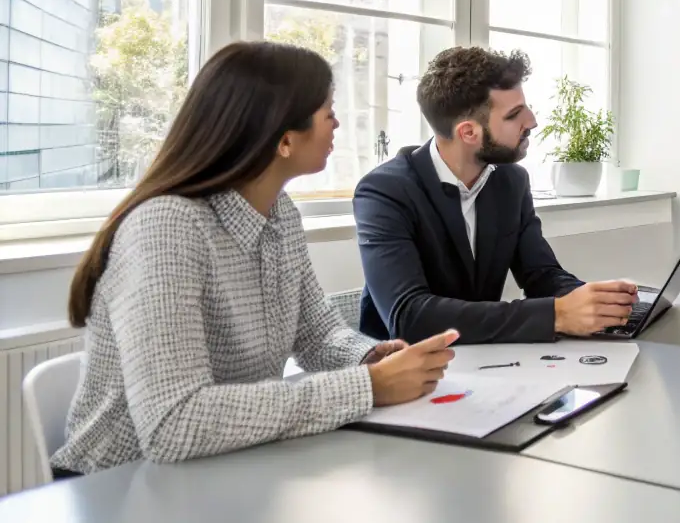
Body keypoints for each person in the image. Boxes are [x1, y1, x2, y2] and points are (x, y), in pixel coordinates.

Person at [52, 42, 457, 476]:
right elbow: (173, 422)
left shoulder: (280, 213)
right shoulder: (166, 226)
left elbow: (317, 336)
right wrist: (366, 388)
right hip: (119, 486)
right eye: (327, 111)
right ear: (283, 139)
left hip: (219, 468)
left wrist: (370, 358)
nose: (337, 122)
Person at [355, 47, 638, 344]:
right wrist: (556, 314)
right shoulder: (384, 192)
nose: (532, 121)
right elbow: (410, 317)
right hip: (405, 373)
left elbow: (541, 274)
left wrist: (598, 302)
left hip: (487, 361)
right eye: (514, 115)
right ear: (468, 133)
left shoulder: (510, 181)